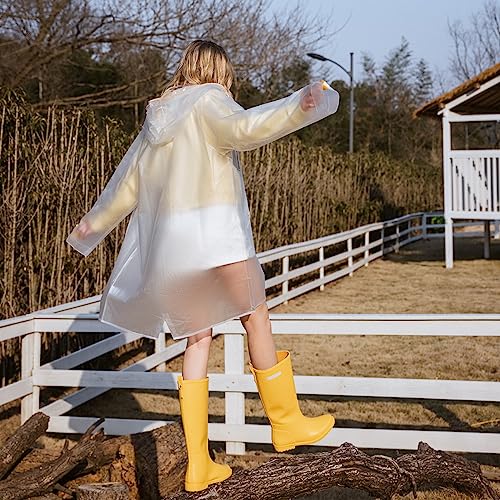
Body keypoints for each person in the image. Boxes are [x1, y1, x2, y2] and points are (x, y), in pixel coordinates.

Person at [67, 39, 340, 492]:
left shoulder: (158, 119)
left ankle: (199, 463)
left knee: (197, 340)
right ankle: (286, 422)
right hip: (217, 238)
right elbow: (246, 128)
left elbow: (128, 184)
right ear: (218, 70)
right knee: (256, 316)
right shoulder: (210, 100)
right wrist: (299, 105)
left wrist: (88, 229)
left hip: (174, 251)